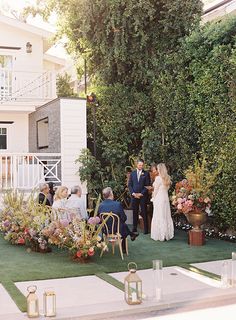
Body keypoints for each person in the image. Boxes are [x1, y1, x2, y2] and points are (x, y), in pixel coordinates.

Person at [98, 187, 138, 253]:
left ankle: (131, 235)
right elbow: (124, 218)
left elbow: (99, 219)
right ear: (111, 194)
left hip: (106, 230)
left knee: (122, 225)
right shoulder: (117, 204)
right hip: (117, 230)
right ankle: (125, 246)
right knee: (123, 225)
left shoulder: (100, 205)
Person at [151, 163, 174, 241]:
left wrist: (153, 198)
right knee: (165, 215)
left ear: (160, 169)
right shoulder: (167, 178)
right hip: (165, 199)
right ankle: (166, 234)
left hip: (159, 199)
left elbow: (156, 190)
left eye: (157, 169)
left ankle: (160, 235)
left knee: (159, 216)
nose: (157, 170)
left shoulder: (158, 178)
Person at [128, 159, 151, 234]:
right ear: (136, 165)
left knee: (144, 211)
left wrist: (141, 193)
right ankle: (134, 228)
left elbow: (147, 185)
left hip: (143, 196)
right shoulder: (133, 173)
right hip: (134, 196)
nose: (140, 166)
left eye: (142, 165)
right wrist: (133, 193)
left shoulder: (146, 173)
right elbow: (130, 185)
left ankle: (146, 229)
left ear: (143, 165)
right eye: (139, 165)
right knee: (135, 211)